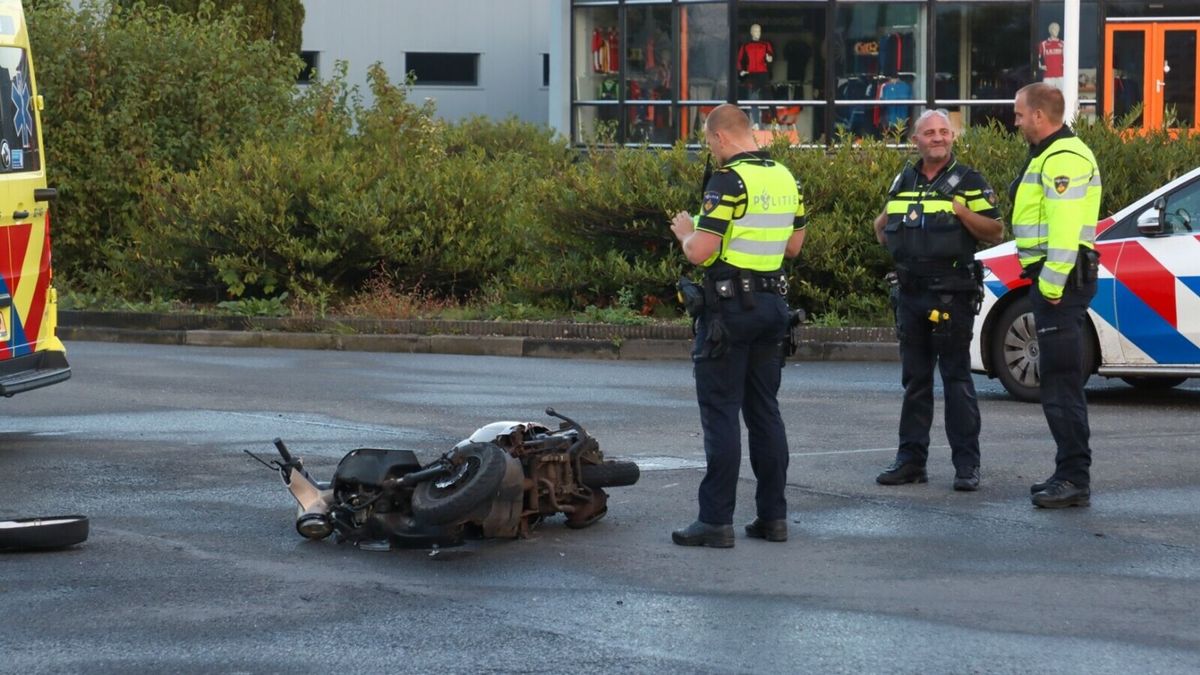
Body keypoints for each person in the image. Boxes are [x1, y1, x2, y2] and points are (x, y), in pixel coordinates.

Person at [669, 104, 806, 548]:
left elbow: (700, 250)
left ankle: (715, 521)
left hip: (729, 311)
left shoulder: (728, 180)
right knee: (765, 411)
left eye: (710, 143)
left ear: (721, 138)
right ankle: (774, 517)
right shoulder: (785, 177)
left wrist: (686, 232)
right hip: (772, 306)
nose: (712, 151)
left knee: (721, 412)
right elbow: (794, 245)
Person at [872, 110, 1004, 491]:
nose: (938, 138)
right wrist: (882, 227)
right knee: (915, 382)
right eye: (929, 132)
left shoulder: (969, 180)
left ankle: (967, 466)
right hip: (910, 293)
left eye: (944, 132)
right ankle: (911, 461)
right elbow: (882, 229)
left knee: (957, 380)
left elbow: (995, 230)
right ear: (916, 140)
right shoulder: (904, 179)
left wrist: (960, 211)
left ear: (952, 138)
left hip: (952, 292)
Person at [1011, 82, 1102, 508]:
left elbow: (1065, 228)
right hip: (1058, 283)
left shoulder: (1062, 157)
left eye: (1018, 114)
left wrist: (1049, 285)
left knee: (1061, 384)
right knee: (1059, 382)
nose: (1016, 121)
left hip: (1059, 286)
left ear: (1039, 117)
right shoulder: (1050, 155)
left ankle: (1073, 479)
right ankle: (1068, 471)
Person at [737, 24, 774, 127]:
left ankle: (775, 121)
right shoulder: (746, 46)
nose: (758, 33)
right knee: (753, 99)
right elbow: (739, 60)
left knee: (768, 97)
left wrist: (769, 59)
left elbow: (771, 57)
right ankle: (756, 123)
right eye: (755, 31)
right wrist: (741, 71)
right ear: (751, 32)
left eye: (759, 31)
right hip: (752, 74)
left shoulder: (765, 44)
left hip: (763, 73)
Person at [1038, 22, 1065, 90]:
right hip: (1048, 75)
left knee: (1062, 95)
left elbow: (1068, 58)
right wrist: (1040, 66)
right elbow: (1037, 57)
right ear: (1050, 30)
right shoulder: (1043, 44)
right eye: (1054, 29)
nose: (1056, 31)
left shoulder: (1063, 43)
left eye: (1058, 29)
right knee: (1047, 96)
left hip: (1061, 75)